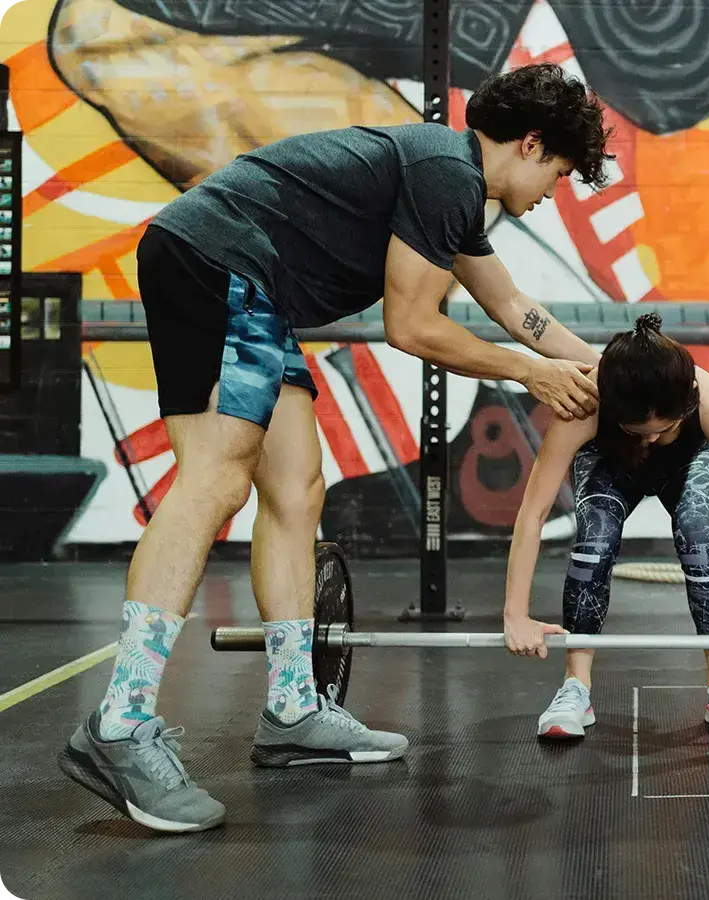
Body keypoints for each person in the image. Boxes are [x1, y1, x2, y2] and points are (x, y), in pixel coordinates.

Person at [58, 62, 612, 833]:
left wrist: (606, 372)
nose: (555, 189)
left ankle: (291, 710)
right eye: (558, 168)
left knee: (296, 489)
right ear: (529, 143)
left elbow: (514, 307)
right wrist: (532, 373)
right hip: (219, 264)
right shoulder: (446, 173)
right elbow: (412, 326)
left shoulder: (451, 188)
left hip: (253, 287)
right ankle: (119, 724)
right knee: (216, 480)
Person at [501, 313, 709, 741]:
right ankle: (576, 687)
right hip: (614, 467)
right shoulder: (585, 403)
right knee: (595, 535)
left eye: (660, 430)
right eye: (636, 431)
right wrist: (515, 615)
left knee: (697, 528)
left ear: (685, 405)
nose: (648, 440)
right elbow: (533, 514)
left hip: (689, 463)